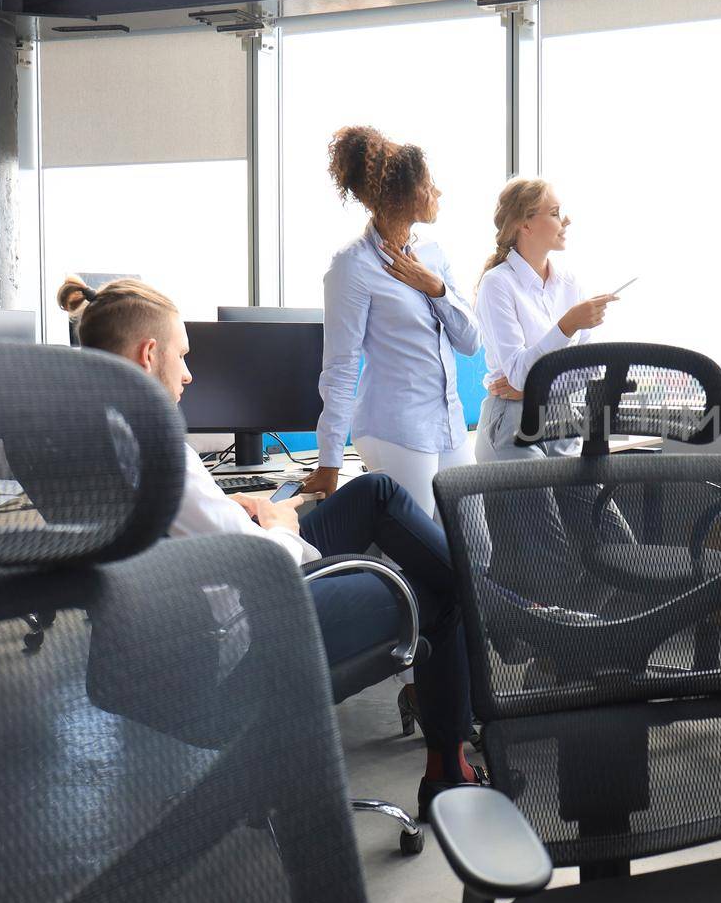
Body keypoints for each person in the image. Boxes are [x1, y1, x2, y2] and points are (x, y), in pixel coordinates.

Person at [58, 274, 479, 817]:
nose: (188, 374)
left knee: (373, 492)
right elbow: (262, 570)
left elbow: (186, 537)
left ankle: (486, 602)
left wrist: (235, 512)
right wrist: (280, 523)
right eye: (183, 356)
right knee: (438, 594)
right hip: (249, 631)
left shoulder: (106, 434)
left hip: (197, 617)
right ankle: (450, 768)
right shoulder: (161, 452)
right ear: (148, 354)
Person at [300, 126, 503, 520]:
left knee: (476, 547)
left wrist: (436, 288)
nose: (438, 193)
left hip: (448, 421)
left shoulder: (433, 254)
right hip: (396, 426)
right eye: (429, 185)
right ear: (400, 196)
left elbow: (471, 341)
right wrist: (330, 462)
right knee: (417, 553)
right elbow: (340, 369)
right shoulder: (353, 267)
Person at [472, 177, 618, 461]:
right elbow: (518, 374)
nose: (567, 220)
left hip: (561, 415)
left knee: (597, 506)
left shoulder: (568, 282)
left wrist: (535, 388)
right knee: (538, 508)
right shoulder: (498, 284)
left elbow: (588, 370)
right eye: (554, 213)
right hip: (512, 422)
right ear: (525, 225)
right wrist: (567, 326)